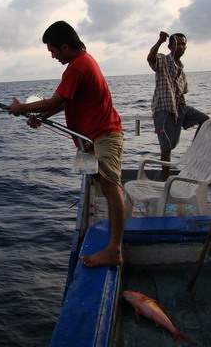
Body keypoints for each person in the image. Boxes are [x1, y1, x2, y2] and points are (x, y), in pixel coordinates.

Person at [7, 21, 125, 268]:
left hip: (104, 135)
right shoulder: (84, 61)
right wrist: (41, 117)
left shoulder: (77, 67)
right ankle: (105, 235)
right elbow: (64, 103)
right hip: (90, 140)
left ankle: (114, 249)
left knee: (111, 187)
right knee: (98, 184)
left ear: (64, 46)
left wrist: (20, 109)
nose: (53, 56)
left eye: (54, 51)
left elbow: (55, 100)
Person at [147, 31, 209, 180]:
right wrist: (160, 41)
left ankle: (193, 150)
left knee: (205, 120)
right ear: (170, 46)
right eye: (177, 44)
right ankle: (166, 181)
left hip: (180, 108)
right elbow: (150, 58)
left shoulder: (181, 69)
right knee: (167, 148)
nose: (181, 47)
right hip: (165, 109)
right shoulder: (162, 60)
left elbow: (183, 92)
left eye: (183, 44)